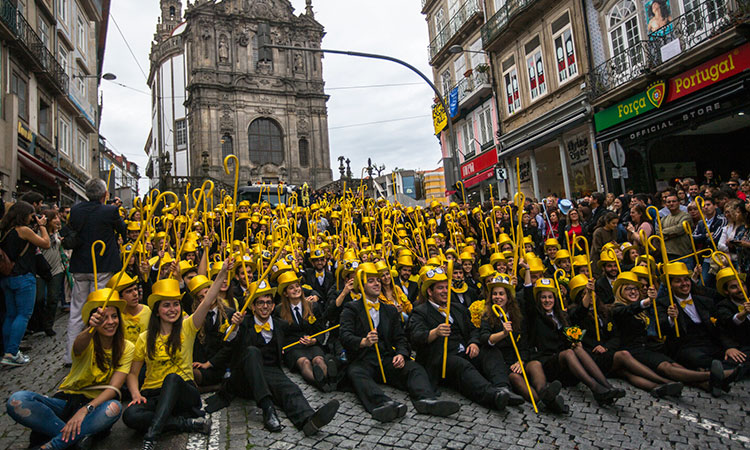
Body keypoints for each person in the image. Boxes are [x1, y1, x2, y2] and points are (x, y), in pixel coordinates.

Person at [122, 261, 232, 450]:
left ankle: (152, 435)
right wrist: (136, 394)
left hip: (183, 391)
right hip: (153, 393)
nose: (173, 309)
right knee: (130, 415)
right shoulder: (144, 338)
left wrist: (222, 273)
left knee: (172, 378)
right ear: (157, 311)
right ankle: (185, 424)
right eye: (166, 305)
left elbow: (207, 301)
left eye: (176, 304)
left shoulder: (188, 327)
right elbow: (133, 373)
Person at [7, 290, 132, 449]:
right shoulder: (86, 340)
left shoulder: (127, 347)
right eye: (104, 318)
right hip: (67, 402)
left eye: (114, 316)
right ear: (92, 320)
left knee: (114, 408)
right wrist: (90, 329)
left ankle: (54, 445)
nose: (110, 321)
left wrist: (85, 410)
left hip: (95, 408)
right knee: (17, 400)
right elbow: (79, 345)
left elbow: (114, 388)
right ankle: (74, 440)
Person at [340, 263, 460, 422]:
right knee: (356, 374)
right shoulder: (351, 309)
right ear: (361, 286)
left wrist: (401, 354)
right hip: (363, 360)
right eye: (371, 281)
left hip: (387, 358)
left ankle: (426, 400)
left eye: (377, 280)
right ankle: (383, 404)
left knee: (414, 368)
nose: (377, 283)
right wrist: (363, 341)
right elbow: (345, 336)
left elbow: (401, 338)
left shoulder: (389, 310)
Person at [220, 280, 340, 435]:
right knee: (252, 352)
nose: (265, 306)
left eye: (268, 302)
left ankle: (309, 420)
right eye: (260, 303)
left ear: (272, 305)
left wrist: (312, 338)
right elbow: (228, 341)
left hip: (270, 370)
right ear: (253, 306)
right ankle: (268, 409)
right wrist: (234, 326)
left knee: (290, 388)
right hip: (245, 377)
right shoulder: (244, 323)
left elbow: (302, 329)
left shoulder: (280, 324)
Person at [407, 267, 521, 412]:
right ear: (430, 292)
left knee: (490, 351)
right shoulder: (420, 311)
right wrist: (435, 332)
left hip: (464, 350)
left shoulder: (457, 308)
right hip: (440, 358)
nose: (445, 291)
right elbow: (415, 338)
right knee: (462, 366)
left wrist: (473, 342)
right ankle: (493, 396)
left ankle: (503, 387)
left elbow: (473, 329)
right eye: (440, 288)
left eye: (446, 287)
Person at [524, 278, 625, 405]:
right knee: (569, 353)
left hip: (564, 364)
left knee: (577, 348)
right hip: (546, 362)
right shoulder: (535, 316)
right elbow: (528, 299)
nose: (547, 300)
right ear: (538, 300)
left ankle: (607, 386)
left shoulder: (562, 316)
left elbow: (580, 312)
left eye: (550, 297)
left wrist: (574, 341)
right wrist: (527, 271)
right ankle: (595, 388)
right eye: (543, 297)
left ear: (555, 299)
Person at [479, 273, 568, 413]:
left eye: (501, 294)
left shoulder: (517, 315)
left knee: (535, 364)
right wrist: (502, 334)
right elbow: (485, 339)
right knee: (515, 377)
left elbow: (524, 342)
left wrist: (521, 360)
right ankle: (542, 401)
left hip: (519, 358)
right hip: (503, 363)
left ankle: (544, 392)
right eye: (494, 294)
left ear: (508, 296)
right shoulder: (487, 315)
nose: (498, 297)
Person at [66, 179, 127, 364]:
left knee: (76, 310)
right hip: (102, 266)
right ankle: (96, 352)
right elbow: (123, 229)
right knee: (99, 308)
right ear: (104, 195)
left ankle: (70, 355)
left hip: (80, 266)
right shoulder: (109, 211)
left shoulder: (75, 210)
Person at [0, 201, 50, 366]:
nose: (32, 217)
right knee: (23, 315)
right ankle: (12, 352)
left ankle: (8, 350)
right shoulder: (23, 230)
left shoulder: (4, 230)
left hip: (7, 277)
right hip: (23, 277)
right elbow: (45, 243)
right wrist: (42, 226)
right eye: (31, 214)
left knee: (11, 315)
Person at [274, 271, 336, 391]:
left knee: (318, 359)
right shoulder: (279, 310)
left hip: (311, 343)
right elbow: (279, 333)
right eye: (291, 288)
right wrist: (280, 348)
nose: (296, 289)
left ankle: (330, 378)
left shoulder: (313, 306)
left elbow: (321, 329)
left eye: (297, 286)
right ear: (285, 293)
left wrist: (314, 340)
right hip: (293, 346)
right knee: (305, 363)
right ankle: (320, 382)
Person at [34, 208, 65, 337]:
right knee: (39, 298)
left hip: (56, 268)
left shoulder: (57, 233)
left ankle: (48, 325)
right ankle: (39, 322)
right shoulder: (38, 232)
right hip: (40, 270)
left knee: (53, 298)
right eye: (54, 218)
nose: (57, 220)